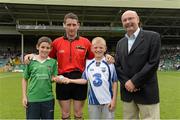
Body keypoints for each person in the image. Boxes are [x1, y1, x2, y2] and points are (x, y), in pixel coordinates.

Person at [24, 12, 114, 119]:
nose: (71, 28)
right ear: (64, 25)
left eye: (74, 25)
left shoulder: (86, 42)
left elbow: (96, 55)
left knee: (78, 114)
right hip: (62, 80)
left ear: (78, 25)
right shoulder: (56, 42)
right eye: (69, 25)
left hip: (80, 80)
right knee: (65, 114)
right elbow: (45, 55)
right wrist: (32, 55)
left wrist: (107, 55)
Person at [115, 10, 161, 119]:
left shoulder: (153, 37)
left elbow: (153, 63)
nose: (128, 22)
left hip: (147, 91)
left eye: (131, 18)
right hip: (127, 93)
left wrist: (134, 82)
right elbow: (117, 66)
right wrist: (127, 82)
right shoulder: (120, 43)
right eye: (125, 20)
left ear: (138, 19)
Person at [58, 37, 118, 119]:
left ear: (105, 48)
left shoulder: (110, 63)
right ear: (91, 49)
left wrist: (114, 100)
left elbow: (114, 82)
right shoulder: (89, 64)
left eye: (101, 47)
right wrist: (70, 80)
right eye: (95, 47)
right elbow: (84, 80)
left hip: (108, 101)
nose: (98, 50)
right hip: (93, 102)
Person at [22, 36, 58, 119]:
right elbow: (24, 78)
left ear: (51, 49)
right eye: (42, 47)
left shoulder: (53, 62)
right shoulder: (30, 61)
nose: (45, 50)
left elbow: (53, 78)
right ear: (37, 47)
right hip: (32, 99)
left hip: (48, 99)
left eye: (47, 48)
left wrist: (56, 79)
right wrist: (24, 96)